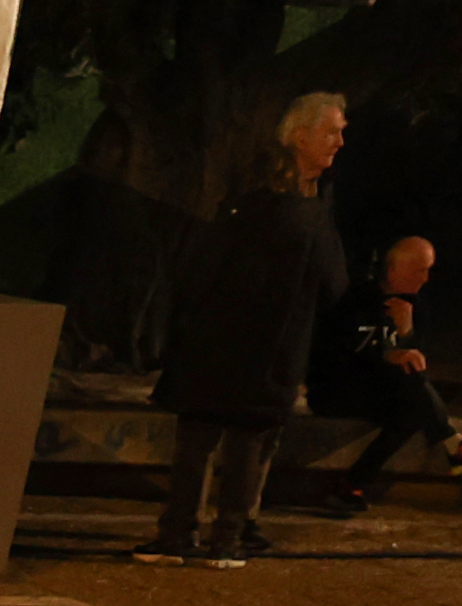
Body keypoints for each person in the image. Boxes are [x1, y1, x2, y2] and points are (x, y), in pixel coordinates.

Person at [141, 92, 350, 567]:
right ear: (301, 136)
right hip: (228, 339)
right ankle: (191, 534)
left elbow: (331, 281)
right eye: (331, 131)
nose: (339, 141)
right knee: (208, 441)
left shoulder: (312, 207)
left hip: (264, 345)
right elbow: (210, 265)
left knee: (243, 446)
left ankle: (218, 536)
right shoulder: (265, 203)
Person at [296, 236, 462, 512]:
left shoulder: (417, 307)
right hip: (337, 390)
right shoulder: (355, 301)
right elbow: (331, 357)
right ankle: (452, 441)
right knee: (411, 395)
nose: (425, 279)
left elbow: (417, 361)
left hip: (383, 390)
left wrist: (407, 334)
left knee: (412, 408)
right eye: (419, 270)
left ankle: (352, 484)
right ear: (393, 271)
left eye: (428, 270)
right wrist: (385, 356)